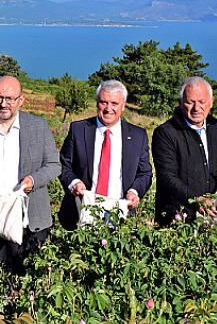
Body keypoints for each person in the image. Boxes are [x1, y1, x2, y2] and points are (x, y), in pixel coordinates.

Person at [0, 75, 60, 273]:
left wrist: (33, 180)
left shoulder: (38, 127)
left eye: (10, 99)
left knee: (28, 278)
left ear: (21, 100)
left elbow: (53, 165)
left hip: (30, 218)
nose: (3, 104)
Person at [57, 80, 153, 230]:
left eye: (114, 103)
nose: (108, 109)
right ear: (97, 103)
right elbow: (63, 165)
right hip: (80, 212)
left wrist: (134, 191)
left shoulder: (138, 135)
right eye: (103, 102)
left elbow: (145, 173)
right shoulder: (78, 130)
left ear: (123, 106)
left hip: (120, 214)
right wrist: (73, 182)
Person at [153, 76, 217, 226]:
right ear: (180, 103)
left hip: (214, 211)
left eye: (202, 102)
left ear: (211, 102)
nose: (197, 108)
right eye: (190, 102)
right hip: (179, 217)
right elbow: (167, 176)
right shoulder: (166, 132)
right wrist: (195, 199)